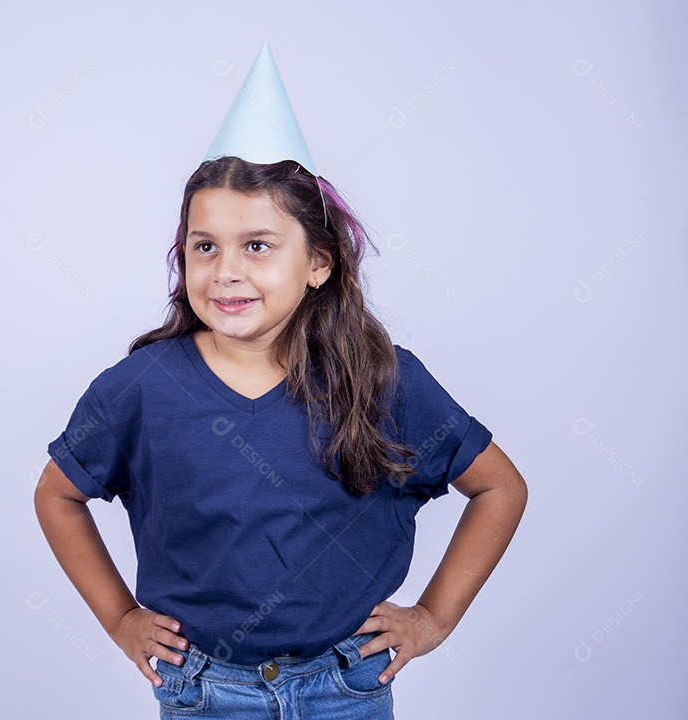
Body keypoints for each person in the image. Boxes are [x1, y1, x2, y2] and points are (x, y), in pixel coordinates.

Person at [34, 44, 527, 720]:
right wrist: (121, 618)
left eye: (257, 246)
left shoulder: (382, 378)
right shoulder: (140, 388)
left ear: (319, 263)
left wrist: (432, 619)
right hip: (206, 691)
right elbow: (58, 495)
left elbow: (500, 486)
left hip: (345, 688)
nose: (226, 270)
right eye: (205, 246)